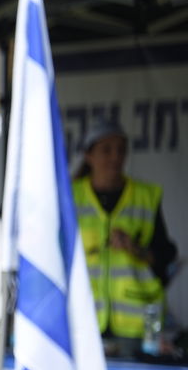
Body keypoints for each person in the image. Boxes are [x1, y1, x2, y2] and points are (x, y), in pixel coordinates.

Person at [71, 121, 178, 357]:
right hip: (83, 319)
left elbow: (166, 256)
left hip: (136, 326)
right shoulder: (71, 196)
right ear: (89, 155)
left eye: (121, 149)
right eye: (106, 150)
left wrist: (136, 249)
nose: (115, 157)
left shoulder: (145, 196)